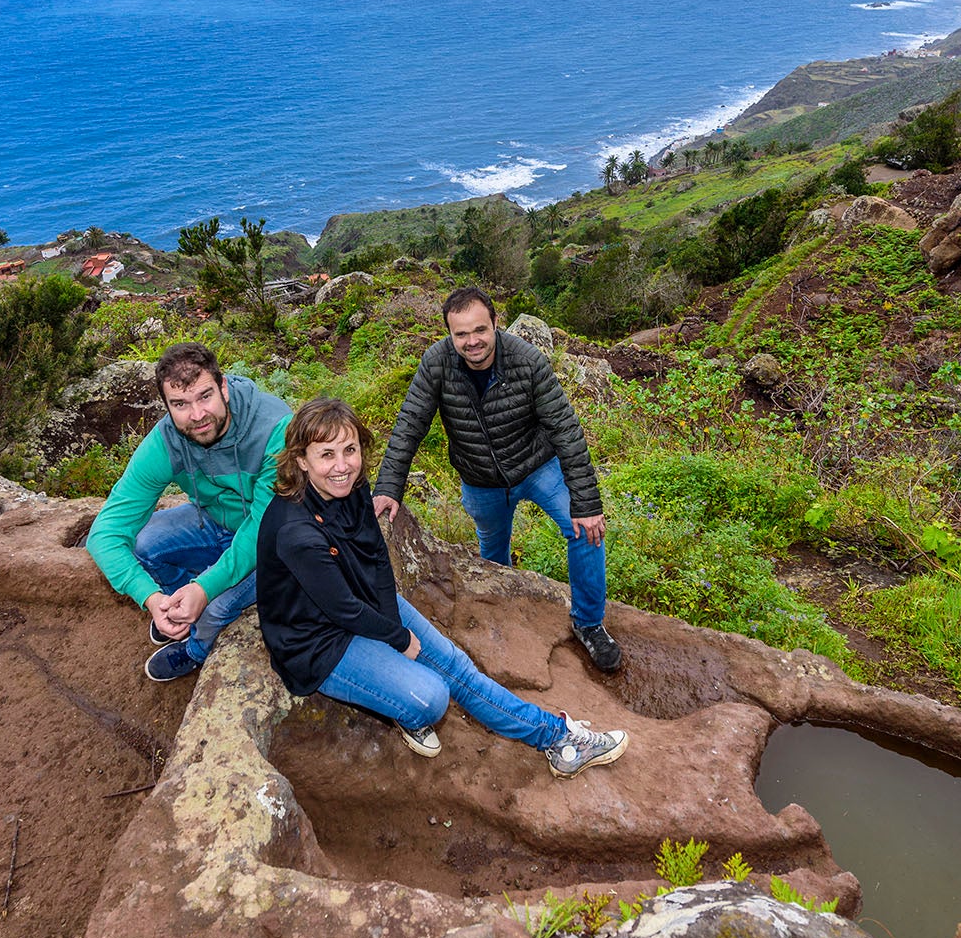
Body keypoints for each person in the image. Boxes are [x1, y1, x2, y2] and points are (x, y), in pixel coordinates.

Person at [258, 397, 628, 778]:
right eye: (326, 455)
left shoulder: (348, 485)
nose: (342, 466)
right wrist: (399, 639)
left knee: (458, 670)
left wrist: (390, 623)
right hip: (317, 643)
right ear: (301, 460)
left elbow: (377, 559)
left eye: (349, 450)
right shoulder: (295, 531)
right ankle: (403, 704)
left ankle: (557, 738)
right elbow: (341, 611)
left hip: (363, 603)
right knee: (431, 699)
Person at [373, 287, 621, 672]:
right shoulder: (436, 363)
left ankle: (589, 623)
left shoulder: (527, 360)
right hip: (481, 480)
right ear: (449, 334)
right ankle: (505, 611)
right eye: (461, 334)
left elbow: (566, 430)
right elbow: (410, 425)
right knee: (493, 555)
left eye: (480, 330)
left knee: (585, 530)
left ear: (495, 324)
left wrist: (587, 504)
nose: (472, 341)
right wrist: (388, 488)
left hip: (537, 466)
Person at [85, 342, 290, 681]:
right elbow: (105, 533)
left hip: (274, 539)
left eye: (205, 396)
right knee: (145, 544)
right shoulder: (166, 441)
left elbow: (262, 528)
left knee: (217, 606)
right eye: (180, 404)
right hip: (216, 523)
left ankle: (196, 647)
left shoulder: (274, 427)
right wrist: (151, 598)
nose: (197, 415)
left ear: (223, 387)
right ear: (166, 406)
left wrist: (205, 589)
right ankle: (178, 611)